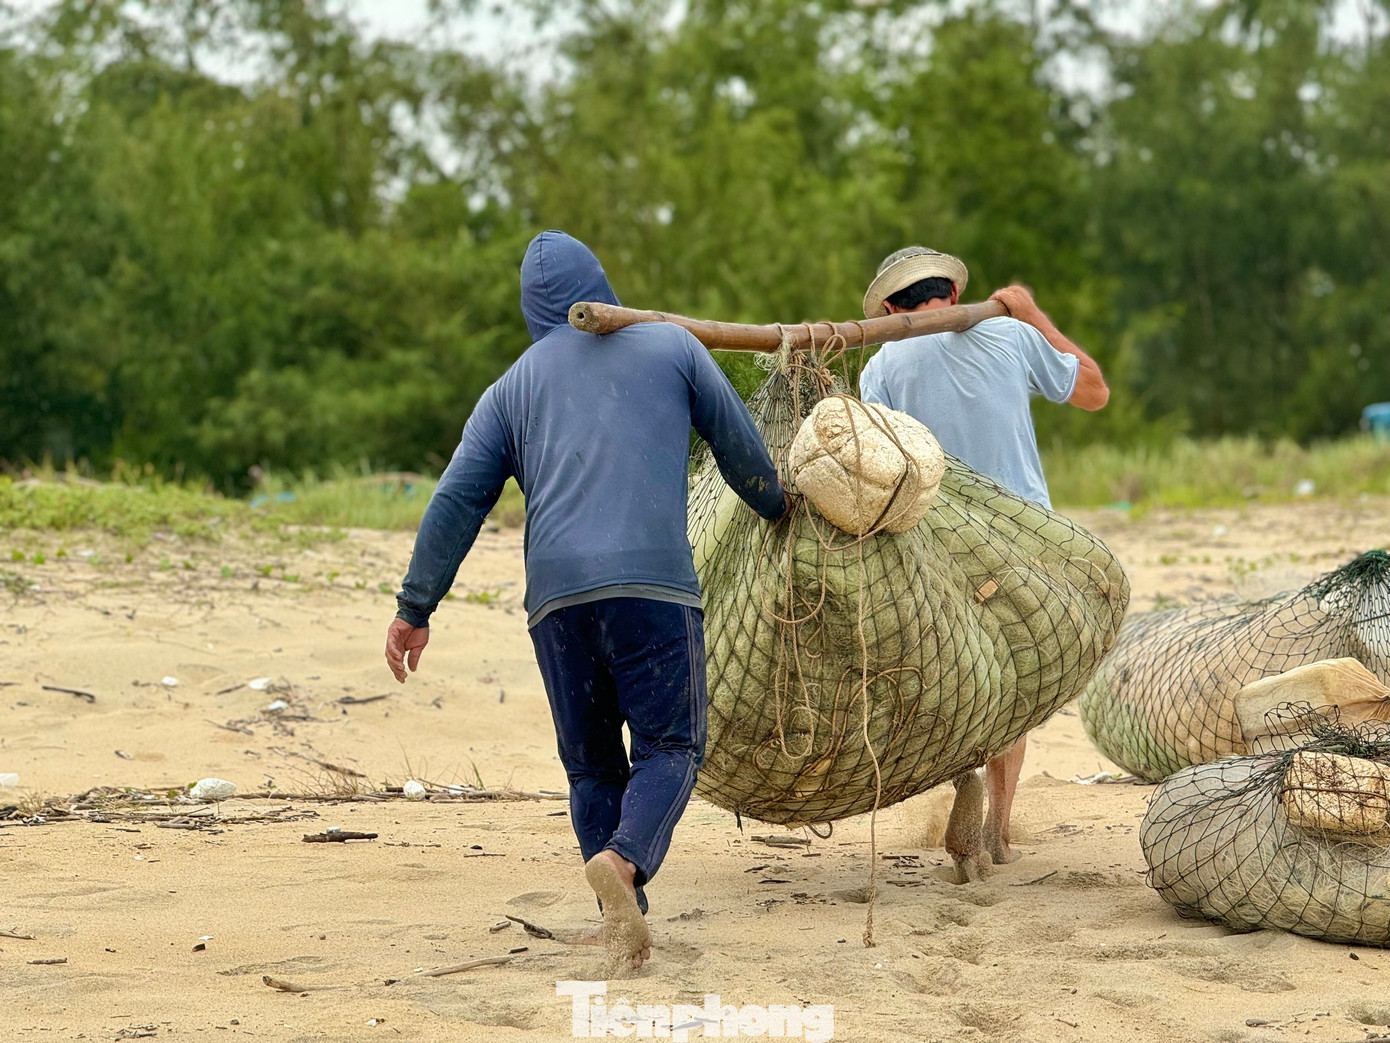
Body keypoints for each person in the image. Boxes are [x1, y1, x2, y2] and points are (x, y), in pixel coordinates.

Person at [385, 230, 790, 972]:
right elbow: (742, 452)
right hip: (653, 588)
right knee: (671, 745)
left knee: (593, 768)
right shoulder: (671, 346)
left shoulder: (510, 388)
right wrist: (780, 511)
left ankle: (619, 920)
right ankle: (626, 863)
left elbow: (456, 501)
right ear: (603, 284)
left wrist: (416, 606)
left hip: (558, 605)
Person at [858, 245, 1108, 879]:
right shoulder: (1006, 333)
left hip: (937, 545)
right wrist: (1031, 314)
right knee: (1020, 683)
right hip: (1027, 539)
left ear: (891, 307)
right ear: (950, 294)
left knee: (953, 676)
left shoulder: (884, 363)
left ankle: (962, 775)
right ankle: (998, 827)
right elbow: (1094, 392)